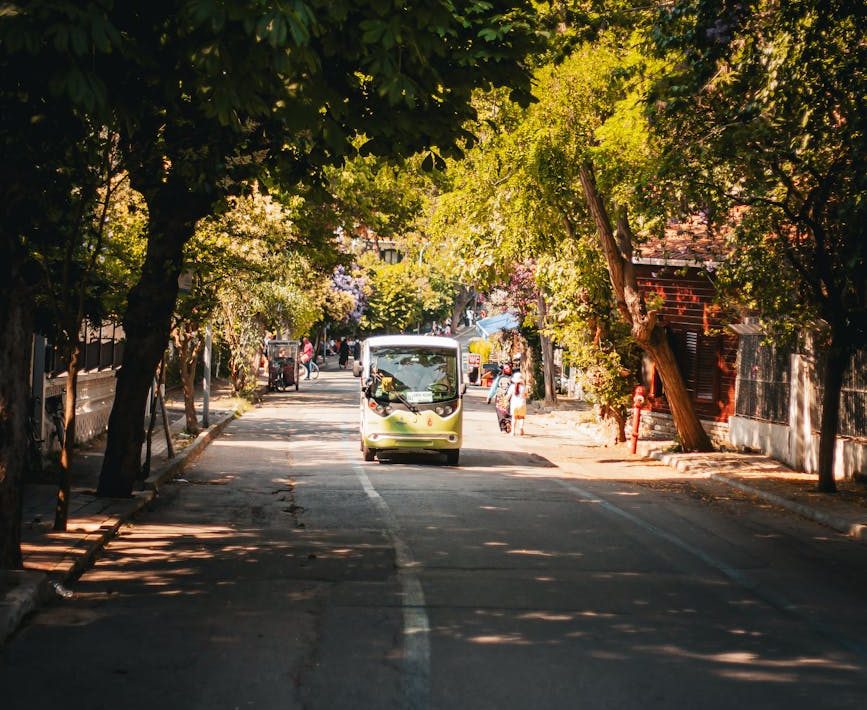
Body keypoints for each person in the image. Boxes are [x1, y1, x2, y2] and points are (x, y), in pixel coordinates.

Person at [485, 363, 513, 432]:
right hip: (505, 397)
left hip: (502, 397)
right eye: (506, 368)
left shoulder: (500, 378)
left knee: (501, 412)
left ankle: (504, 427)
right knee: (506, 411)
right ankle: (507, 422)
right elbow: (494, 388)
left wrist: (489, 397)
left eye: (508, 368)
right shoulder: (512, 378)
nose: (508, 369)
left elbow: (494, 388)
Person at [507, 372, 527, 436]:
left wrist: (505, 401)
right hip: (522, 404)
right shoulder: (523, 387)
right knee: (521, 417)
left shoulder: (512, 386)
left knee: (514, 418)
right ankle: (521, 428)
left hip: (514, 404)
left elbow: (508, 395)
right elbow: (526, 395)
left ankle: (513, 432)